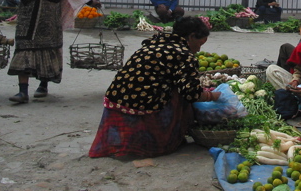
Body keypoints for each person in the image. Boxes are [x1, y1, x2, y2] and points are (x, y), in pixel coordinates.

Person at [89, 16, 221, 158]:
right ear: (191, 36)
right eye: (200, 44)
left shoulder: (155, 42)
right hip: (139, 104)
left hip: (115, 98)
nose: (198, 49)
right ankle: (165, 139)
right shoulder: (184, 55)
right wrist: (213, 96)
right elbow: (191, 93)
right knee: (181, 97)